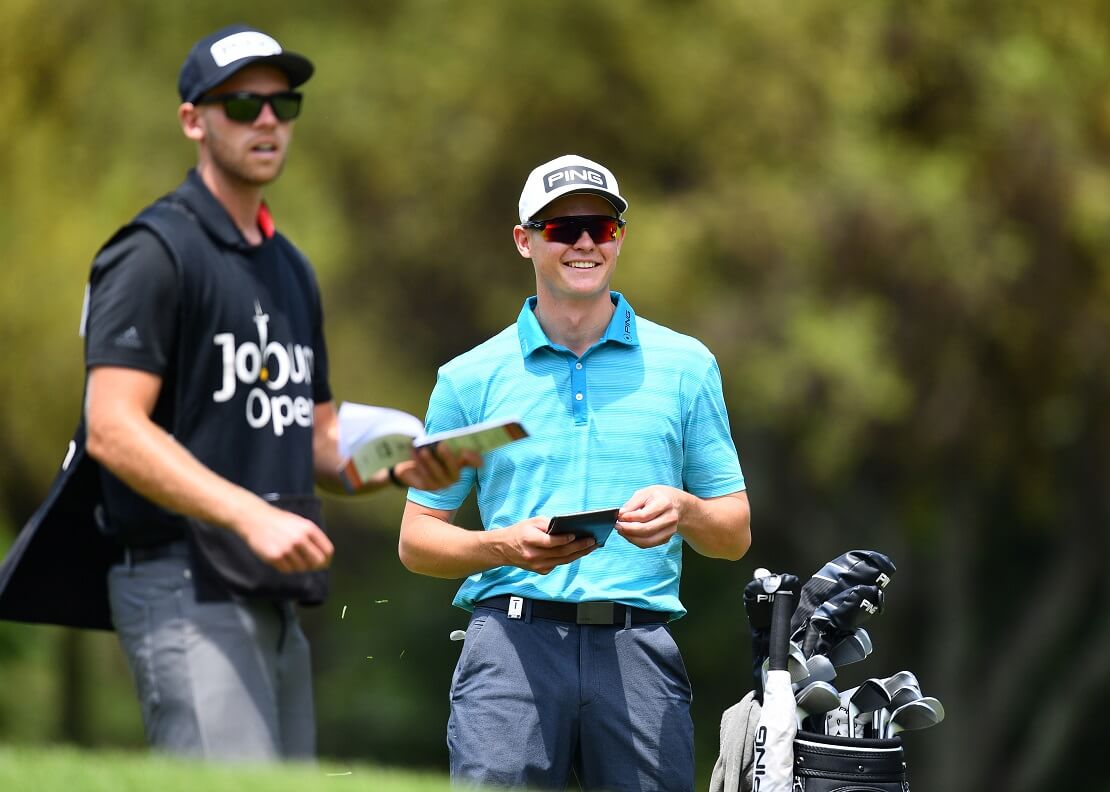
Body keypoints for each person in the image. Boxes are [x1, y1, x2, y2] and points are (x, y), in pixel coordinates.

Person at [3, 24, 472, 761]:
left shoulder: (290, 268)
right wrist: (250, 514)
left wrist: (397, 462)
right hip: (184, 583)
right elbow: (113, 429)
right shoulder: (152, 254)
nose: (265, 122)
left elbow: (310, 431)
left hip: (273, 588)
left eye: (282, 105)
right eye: (241, 104)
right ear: (193, 118)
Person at [398, 154, 752, 790]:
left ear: (620, 237)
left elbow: (733, 534)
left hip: (638, 647)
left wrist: (688, 511)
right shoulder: (470, 379)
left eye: (602, 226)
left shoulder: (685, 366)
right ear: (525, 240)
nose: (585, 242)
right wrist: (504, 545)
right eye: (562, 229)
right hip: (510, 646)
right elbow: (418, 540)